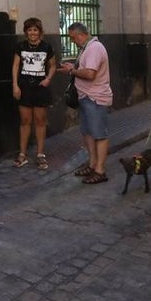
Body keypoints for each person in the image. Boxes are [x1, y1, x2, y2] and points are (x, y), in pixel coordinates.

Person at [59, 22, 112, 184]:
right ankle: (92, 164)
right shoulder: (86, 48)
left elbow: (90, 74)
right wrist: (73, 66)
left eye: (73, 37)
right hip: (85, 96)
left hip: (95, 97)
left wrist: (71, 70)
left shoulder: (95, 48)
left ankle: (100, 170)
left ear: (81, 34)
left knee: (99, 134)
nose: (73, 41)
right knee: (88, 133)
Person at [11, 18, 56, 171]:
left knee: (40, 121)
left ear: (40, 32)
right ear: (26, 32)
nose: (32, 33)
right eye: (29, 30)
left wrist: (48, 79)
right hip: (24, 87)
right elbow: (16, 66)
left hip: (40, 88)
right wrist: (15, 85)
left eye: (35, 30)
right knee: (24, 121)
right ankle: (22, 154)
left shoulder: (46, 47)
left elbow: (53, 65)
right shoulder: (21, 46)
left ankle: (40, 154)